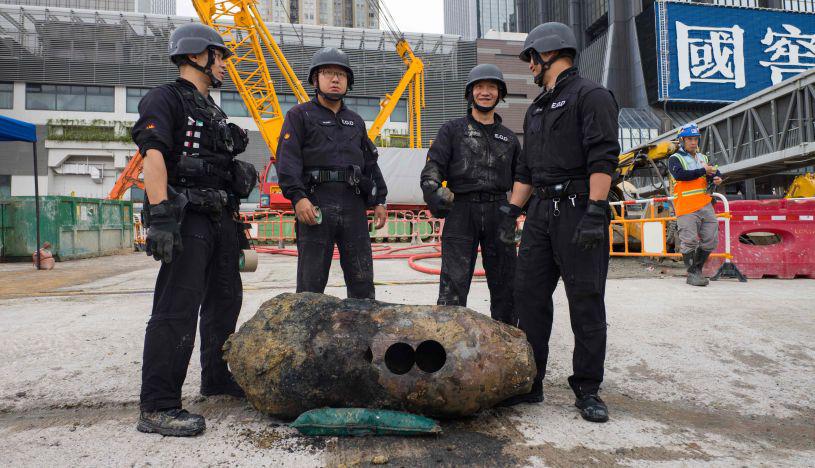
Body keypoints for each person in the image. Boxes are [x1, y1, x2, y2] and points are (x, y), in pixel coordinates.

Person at [131, 23, 257, 437]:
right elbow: (153, 156)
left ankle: (216, 379)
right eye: (219, 56)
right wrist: (161, 216)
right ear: (195, 55)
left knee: (225, 300)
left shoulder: (212, 110)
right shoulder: (165, 98)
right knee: (176, 308)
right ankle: (158, 405)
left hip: (220, 217)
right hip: (187, 216)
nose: (224, 65)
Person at [496, 22, 620, 423]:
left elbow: (603, 157)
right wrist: (511, 212)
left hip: (580, 209)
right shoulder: (537, 108)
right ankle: (529, 382)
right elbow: (527, 170)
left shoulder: (592, 96)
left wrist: (596, 211)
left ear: (547, 53)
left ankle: (587, 388)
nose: (530, 66)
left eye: (531, 58)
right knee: (528, 297)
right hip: (539, 214)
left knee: (585, 300)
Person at [275, 47, 388, 299]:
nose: (335, 79)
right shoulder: (299, 115)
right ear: (315, 80)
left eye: (341, 74)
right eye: (328, 73)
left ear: (348, 81)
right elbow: (287, 160)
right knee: (310, 285)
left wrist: (380, 199)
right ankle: (308, 325)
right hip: (316, 205)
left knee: (362, 282)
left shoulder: (355, 121)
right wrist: (298, 198)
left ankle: (361, 324)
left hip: (353, 205)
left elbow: (370, 162)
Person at [419, 64, 521, 325]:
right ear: (470, 93)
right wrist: (434, 192)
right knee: (453, 284)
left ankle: (506, 338)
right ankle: (447, 341)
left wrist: (518, 213)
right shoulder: (452, 130)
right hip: (461, 212)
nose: (485, 92)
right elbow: (433, 167)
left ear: (500, 94)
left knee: (506, 283)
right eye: (479, 87)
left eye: (492, 87)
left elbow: (523, 179)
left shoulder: (510, 139)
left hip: (500, 212)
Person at [668, 122, 722, 286]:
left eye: (695, 139)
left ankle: (696, 270)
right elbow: (680, 175)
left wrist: (717, 177)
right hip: (686, 207)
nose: (693, 142)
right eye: (689, 139)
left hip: (705, 205)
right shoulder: (675, 159)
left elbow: (715, 172)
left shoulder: (703, 158)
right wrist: (703, 171)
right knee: (689, 242)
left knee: (711, 239)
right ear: (682, 141)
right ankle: (693, 274)